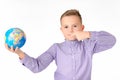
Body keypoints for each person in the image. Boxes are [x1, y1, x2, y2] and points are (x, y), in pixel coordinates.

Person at [5, 9, 116, 80]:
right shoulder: (56, 48)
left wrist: (88, 34)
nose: (71, 30)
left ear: (82, 28)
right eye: (66, 27)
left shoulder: (88, 46)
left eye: (75, 26)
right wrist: (19, 53)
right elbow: (37, 66)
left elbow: (111, 41)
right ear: (61, 30)